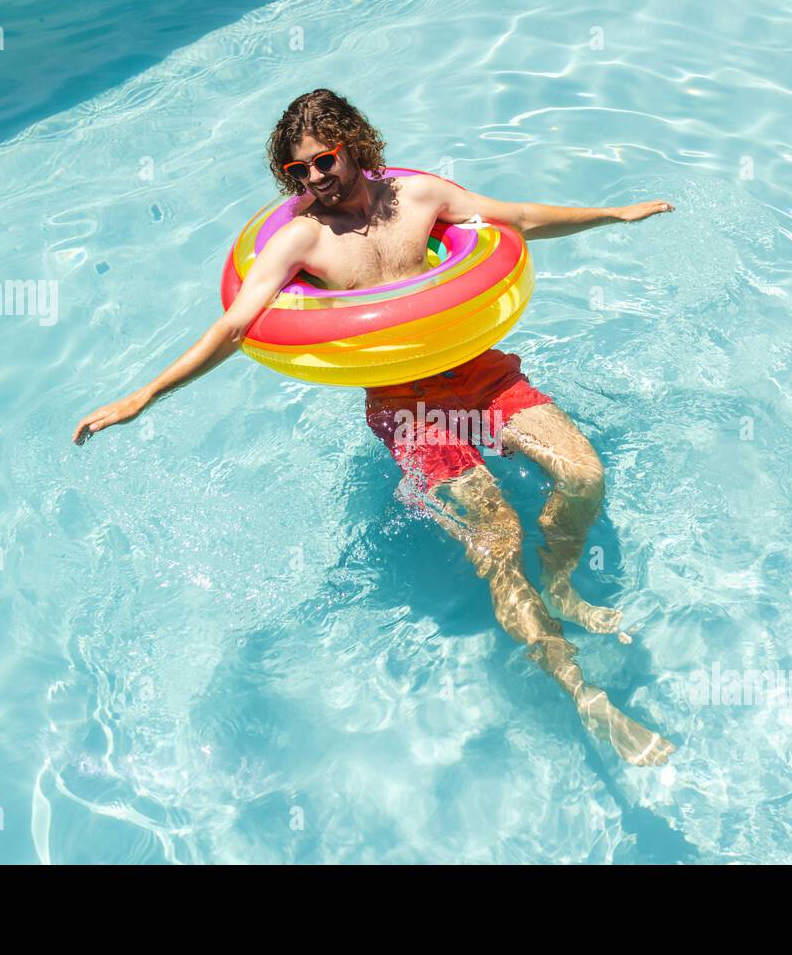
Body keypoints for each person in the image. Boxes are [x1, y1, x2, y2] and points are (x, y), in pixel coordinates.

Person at [73, 89, 676, 765]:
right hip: (405, 405)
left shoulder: (420, 199)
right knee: (499, 538)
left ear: (354, 144)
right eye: (296, 173)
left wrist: (614, 214)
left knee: (583, 473)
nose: (312, 180)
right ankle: (584, 696)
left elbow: (521, 218)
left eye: (322, 161)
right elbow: (238, 323)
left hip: (477, 370)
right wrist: (145, 394)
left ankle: (561, 579)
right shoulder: (302, 237)